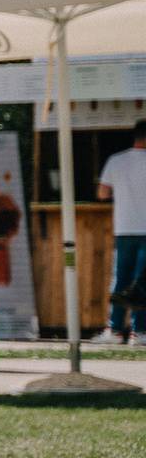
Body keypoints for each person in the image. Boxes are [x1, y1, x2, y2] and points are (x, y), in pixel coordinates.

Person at [94, 118, 146, 344]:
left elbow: (102, 193)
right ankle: (140, 332)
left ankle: (114, 330)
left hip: (124, 227)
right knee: (142, 282)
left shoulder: (116, 161)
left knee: (121, 280)